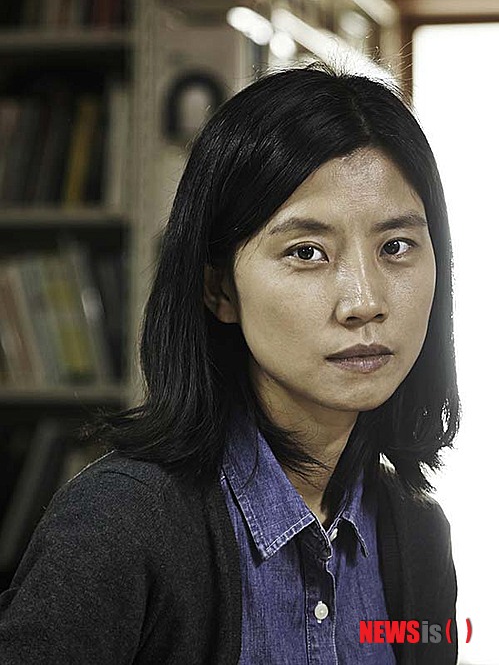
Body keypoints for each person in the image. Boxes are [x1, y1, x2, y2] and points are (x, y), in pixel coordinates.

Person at [0, 61, 460, 664]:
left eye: (396, 247)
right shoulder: (120, 522)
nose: (364, 301)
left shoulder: (418, 536)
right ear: (219, 288)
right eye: (307, 252)